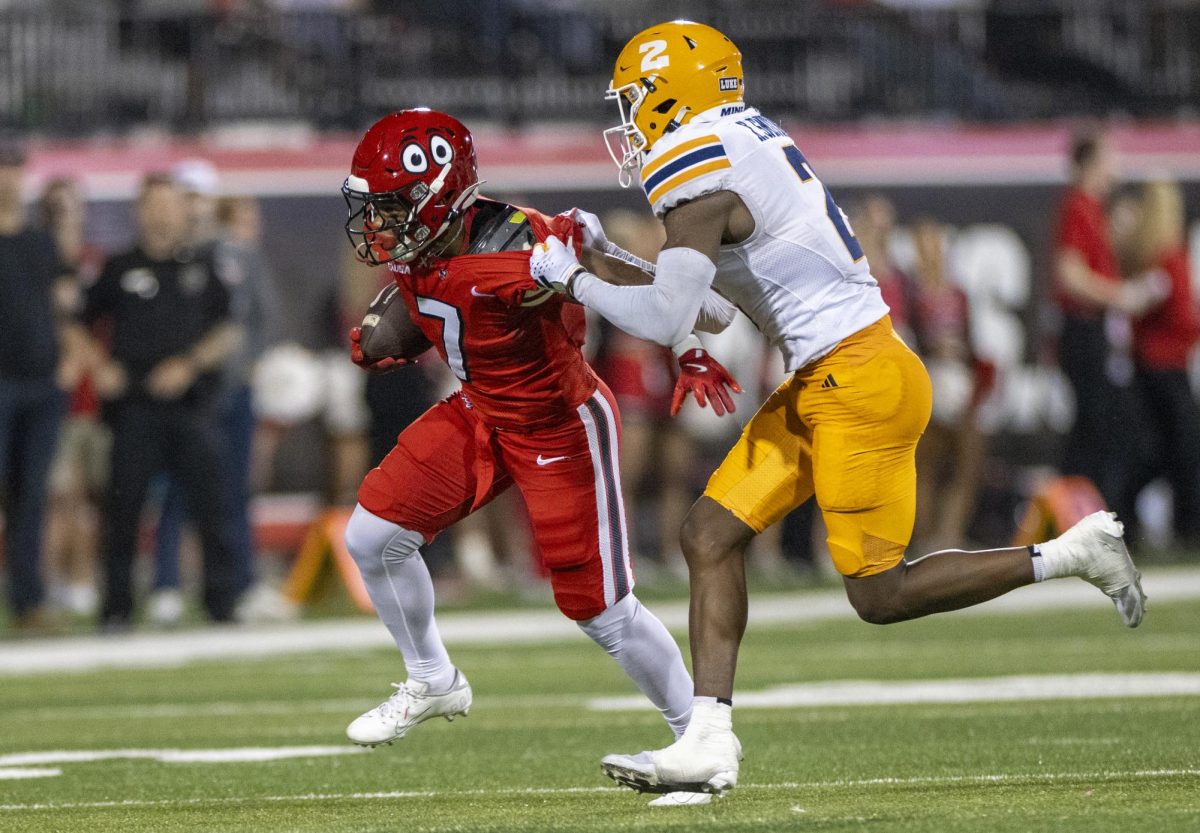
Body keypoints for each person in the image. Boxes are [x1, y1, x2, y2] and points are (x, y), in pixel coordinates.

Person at [527, 20, 1148, 796]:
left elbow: (663, 318)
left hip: (857, 378)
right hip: (831, 373)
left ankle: (1070, 552)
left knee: (878, 593)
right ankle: (708, 740)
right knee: (709, 534)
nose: (627, 119)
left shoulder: (699, 161)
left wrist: (569, 280)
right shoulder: (734, 144)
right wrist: (603, 257)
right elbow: (706, 311)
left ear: (669, 93)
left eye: (635, 98)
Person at [336, 109, 741, 752]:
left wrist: (615, 268)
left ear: (436, 194)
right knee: (372, 537)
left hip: (561, 423)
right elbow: (432, 306)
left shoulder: (530, 246)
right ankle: (432, 677)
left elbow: (703, 308)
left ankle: (699, 737)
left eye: (390, 205)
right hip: (482, 412)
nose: (379, 222)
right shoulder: (423, 242)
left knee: (602, 613)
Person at [75, 174, 244, 630]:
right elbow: (78, 322)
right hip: (133, 408)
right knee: (122, 509)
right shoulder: (116, 266)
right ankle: (116, 610)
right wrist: (99, 366)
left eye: (169, 204)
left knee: (212, 507)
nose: (162, 213)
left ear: (183, 211)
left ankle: (222, 604)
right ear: (139, 212)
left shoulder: (203, 265)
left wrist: (189, 365)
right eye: (153, 204)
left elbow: (228, 330)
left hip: (191, 405)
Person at [1052, 131, 1166, 525]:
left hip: (1095, 332)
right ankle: (1079, 521)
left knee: (1100, 431)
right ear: (1091, 164)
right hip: (1084, 331)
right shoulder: (1079, 206)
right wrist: (1122, 296)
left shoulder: (1094, 210)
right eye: (1110, 156)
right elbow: (1070, 274)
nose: (1117, 164)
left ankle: (1086, 521)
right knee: (1096, 431)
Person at [0, 140, 74, 634]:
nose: (9, 177)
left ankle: (28, 601)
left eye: (14, 168)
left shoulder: (40, 240)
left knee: (31, 498)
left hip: (41, 384)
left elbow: (65, 306)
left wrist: (69, 358)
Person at [1120, 179, 1200, 545]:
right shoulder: (1167, 257)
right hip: (1164, 367)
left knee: (1168, 449)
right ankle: (1185, 524)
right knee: (1179, 448)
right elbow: (1181, 317)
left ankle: (1138, 516)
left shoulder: (1150, 256)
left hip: (1157, 365)